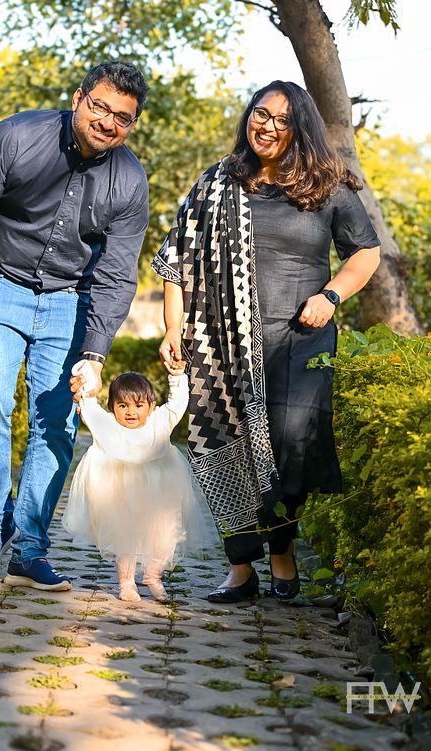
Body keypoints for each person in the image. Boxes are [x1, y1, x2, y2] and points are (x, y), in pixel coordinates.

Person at [152, 80, 380, 604]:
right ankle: (240, 568)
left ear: (300, 128)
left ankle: (281, 552)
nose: (268, 126)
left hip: (301, 339)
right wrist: (172, 328)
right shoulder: (218, 183)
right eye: (261, 113)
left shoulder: (326, 186)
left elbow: (365, 252)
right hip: (221, 347)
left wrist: (331, 295)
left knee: (289, 448)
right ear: (248, 116)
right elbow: (175, 260)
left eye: (282, 119)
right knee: (222, 449)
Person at [0, 61, 149, 591]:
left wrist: (95, 355)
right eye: (99, 107)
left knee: (56, 422)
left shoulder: (130, 181)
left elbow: (118, 272)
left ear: (133, 124)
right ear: (78, 98)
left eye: (122, 117)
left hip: (70, 300)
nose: (107, 122)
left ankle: (30, 550)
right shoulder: (14, 138)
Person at [63, 362, 208, 602]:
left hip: (161, 496)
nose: (131, 412)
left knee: (168, 536)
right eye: (123, 405)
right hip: (121, 497)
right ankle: (127, 583)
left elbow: (178, 403)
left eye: (139, 405)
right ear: (112, 407)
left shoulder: (160, 422)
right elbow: (88, 404)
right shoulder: (107, 425)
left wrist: (176, 377)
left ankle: (153, 575)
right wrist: (84, 377)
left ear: (151, 406)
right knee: (126, 538)